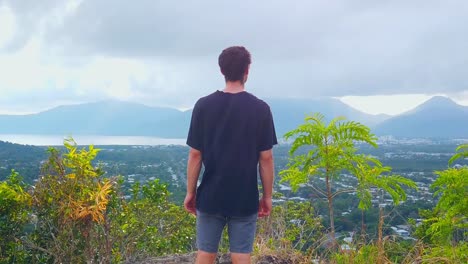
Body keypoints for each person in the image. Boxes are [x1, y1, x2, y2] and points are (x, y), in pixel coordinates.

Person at [184, 46, 277, 264]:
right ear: (247, 70)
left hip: (210, 194)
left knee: (205, 253)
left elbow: (195, 155)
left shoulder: (203, 105)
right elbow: (266, 158)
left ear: (221, 70)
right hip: (244, 196)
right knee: (241, 255)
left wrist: (191, 192)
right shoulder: (261, 109)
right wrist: (267, 196)